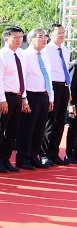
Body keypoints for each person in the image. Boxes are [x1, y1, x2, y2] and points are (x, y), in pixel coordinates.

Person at [16, 28, 53, 170]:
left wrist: (51, 97)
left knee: (39, 129)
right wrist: (24, 98)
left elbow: (47, 76)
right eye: (40, 37)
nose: (44, 39)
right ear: (31, 39)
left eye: (45, 37)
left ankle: (33, 156)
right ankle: (23, 158)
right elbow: (22, 79)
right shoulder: (24, 55)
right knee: (27, 128)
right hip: (30, 95)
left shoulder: (44, 54)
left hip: (44, 95)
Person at [0, 26, 26, 173]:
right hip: (4, 97)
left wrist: (24, 97)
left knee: (12, 131)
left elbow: (22, 77)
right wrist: (2, 100)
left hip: (18, 97)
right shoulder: (1, 56)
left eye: (20, 37)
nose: (19, 40)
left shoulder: (21, 54)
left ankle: (6, 160)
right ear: (6, 39)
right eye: (15, 37)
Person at [42, 24, 72, 166]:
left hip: (64, 87)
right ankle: (44, 154)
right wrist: (49, 92)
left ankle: (54, 154)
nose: (62, 35)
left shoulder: (65, 50)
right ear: (51, 34)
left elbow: (66, 71)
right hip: (52, 87)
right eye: (59, 32)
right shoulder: (46, 50)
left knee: (60, 122)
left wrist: (69, 91)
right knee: (49, 122)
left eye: (63, 32)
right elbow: (46, 72)